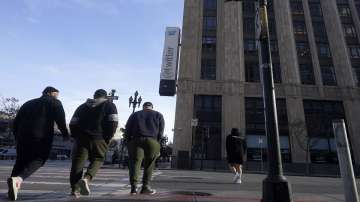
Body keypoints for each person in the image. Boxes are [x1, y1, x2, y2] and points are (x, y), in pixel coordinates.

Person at [8, 86, 70, 201]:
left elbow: (16, 122)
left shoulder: (28, 103)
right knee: (39, 159)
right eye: (57, 94)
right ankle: (18, 179)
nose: (57, 96)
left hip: (22, 136)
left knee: (20, 160)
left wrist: (17, 136)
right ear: (51, 93)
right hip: (41, 136)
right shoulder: (55, 102)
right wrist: (65, 134)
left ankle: (12, 186)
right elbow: (61, 120)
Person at [69, 89, 118, 198]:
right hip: (99, 138)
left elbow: (73, 122)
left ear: (94, 96)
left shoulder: (82, 107)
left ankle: (74, 190)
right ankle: (87, 178)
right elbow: (113, 122)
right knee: (98, 159)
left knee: (77, 163)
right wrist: (108, 137)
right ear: (106, 97)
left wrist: (75, 136)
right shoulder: (109, 105)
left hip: (81, 138)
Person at [125, 102, 164, 195]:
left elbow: (127, 129)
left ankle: (134, 188)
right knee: (149, 164)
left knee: (135, 163)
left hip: (136, 140)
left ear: (143, 107)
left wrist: (128, 141)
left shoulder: (135, 114)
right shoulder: (158, 115)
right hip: (152, 140)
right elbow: (161, 132)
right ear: (152, 107)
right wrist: (157, 143)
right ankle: (145, 187)